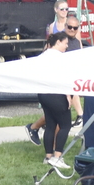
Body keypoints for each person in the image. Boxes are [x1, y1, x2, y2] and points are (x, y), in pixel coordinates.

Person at [36, 33, 75, 169]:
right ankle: (57, 157)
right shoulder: (60, 58)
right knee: (65, 125)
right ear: (58, 42)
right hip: (56, 94)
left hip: (43, 94)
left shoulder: (43, 55)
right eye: (65, 43)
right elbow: (64, 77)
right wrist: (68, 95)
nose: (67, 46)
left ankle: (48, 156)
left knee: (51, 125)